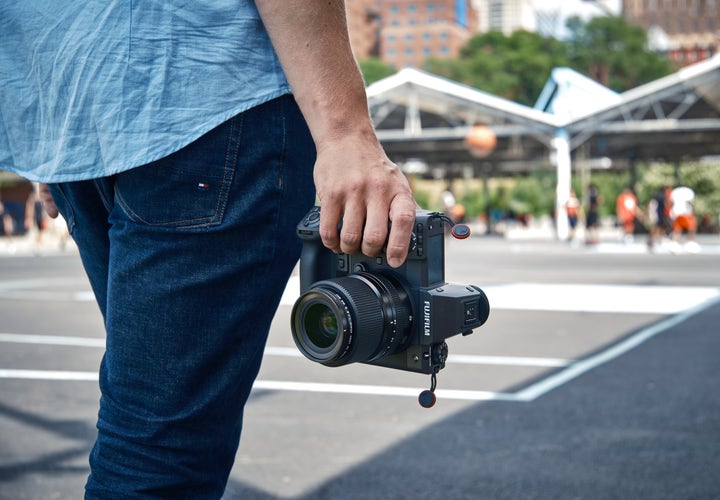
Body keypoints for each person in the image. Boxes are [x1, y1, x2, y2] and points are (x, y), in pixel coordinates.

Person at [1, 2, 417, 498]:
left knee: (144, 425)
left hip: (71, 108)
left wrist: (41, 130)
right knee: (153, 457)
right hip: (205, 100)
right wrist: (346, 132)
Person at [669, 185, 699, 253]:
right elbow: (690, 202)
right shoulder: (687, 193)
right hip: (685, 213)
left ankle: (674, 243)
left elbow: (671, 202)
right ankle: (690, 243)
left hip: (676, 213)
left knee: (677, 230)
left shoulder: (674, 193)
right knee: (692, 228)